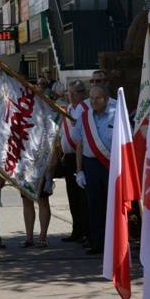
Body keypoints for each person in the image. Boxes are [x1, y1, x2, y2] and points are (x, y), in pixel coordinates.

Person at [74, 84, 116, 255]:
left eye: (97, 98)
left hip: (111, 165)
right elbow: (79, 143)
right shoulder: (84, 118)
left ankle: (114, 243)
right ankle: (97, 242)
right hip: (90, 165)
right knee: (95, 206)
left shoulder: (116, 115)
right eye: (91, 98)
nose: (93, 102)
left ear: (106, 99)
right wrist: (79, 171)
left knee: (112, 205)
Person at [59, 80, 89, 244]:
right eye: (68, 93)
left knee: (83, 197)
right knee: (72, 196)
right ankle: (76, 229)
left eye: (74, 92)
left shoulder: (85, 109)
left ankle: (86, 231)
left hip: (82, 156)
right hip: (69, 157)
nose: (71, 96)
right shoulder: (67, 110)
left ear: (83, 93)